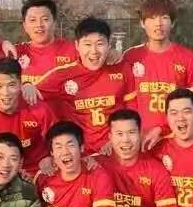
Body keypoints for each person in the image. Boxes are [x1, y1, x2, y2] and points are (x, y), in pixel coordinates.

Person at [29, 17, 136, 152]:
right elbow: (30, 93)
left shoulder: (122, 69)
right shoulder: (63, 74)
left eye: (100, 44)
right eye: (87, 44)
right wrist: (27, 85)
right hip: (79, 154)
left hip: (116, 150)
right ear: (77, 46)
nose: (94, 51)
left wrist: (116, 141)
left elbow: (132, 112)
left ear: (109, 45)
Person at [123, 0, 193, 145]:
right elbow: (127, 101)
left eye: (164, 18)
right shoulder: (130, 57)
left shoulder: (188, 58)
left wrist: (162, 128)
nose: (158, 24)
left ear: (173, 22)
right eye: (152, 18)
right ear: (142, 23)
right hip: (139, 139)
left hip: (175, 139)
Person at [14, 0, 78, 85]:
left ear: (54, 23)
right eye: (33, 20)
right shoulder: (15, 53)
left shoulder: (74, 50)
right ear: (25, 26)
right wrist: (3, 44)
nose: (39, 25)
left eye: (45, 19)